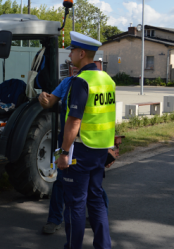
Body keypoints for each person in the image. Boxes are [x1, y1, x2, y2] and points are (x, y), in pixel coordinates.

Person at [55, 31, 116, 249]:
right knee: (96, 199)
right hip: (100, 150)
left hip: (80, 150)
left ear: (82, 53)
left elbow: (74, 121)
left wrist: (63, 153)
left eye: (72, 50)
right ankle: (103, 246)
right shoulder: (107, 79)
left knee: (75, 204)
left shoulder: (81, 81)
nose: (69, 53)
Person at [39, 73, 113, 235]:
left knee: (93, 183)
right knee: (60, 179)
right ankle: (55, 219)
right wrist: (43, 98)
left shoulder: (98, 81)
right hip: (67, 138)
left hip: (88, 141)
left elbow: (106, 114)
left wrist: (109, 146)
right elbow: (50, 101)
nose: (72, 65)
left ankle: (100, 216)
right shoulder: (67, 82)